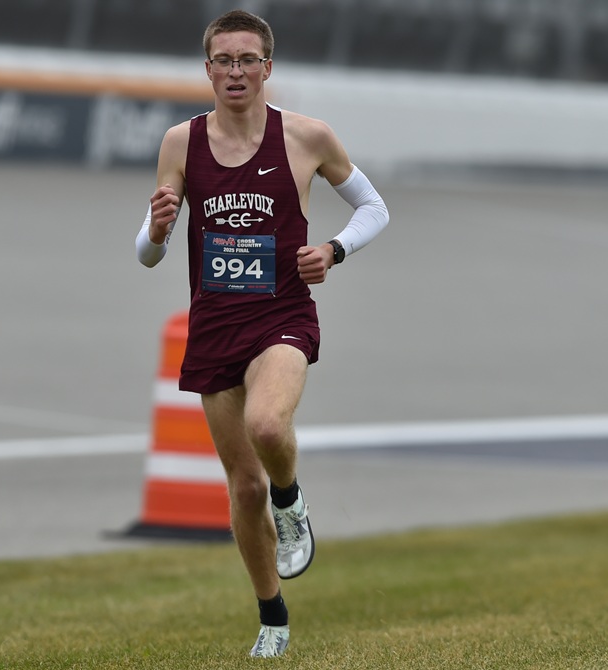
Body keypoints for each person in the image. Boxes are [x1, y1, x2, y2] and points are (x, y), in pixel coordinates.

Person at [134, 9, 389, 658]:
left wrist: (334, 251)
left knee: (269, 427)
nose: (236, 71)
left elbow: (374, 207)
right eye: (224, 60)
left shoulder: (306, 137)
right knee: (241, 487)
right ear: (208, 69)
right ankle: (272, 614)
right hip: (215, 324)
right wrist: (158, 231)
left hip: (282, 315)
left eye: (248, 60)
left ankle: (292, 501)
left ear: (268, 69)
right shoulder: (180, 143)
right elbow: (148, 252)